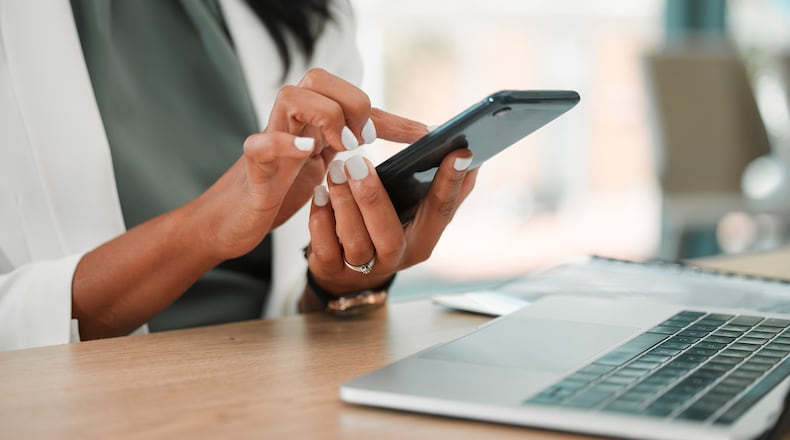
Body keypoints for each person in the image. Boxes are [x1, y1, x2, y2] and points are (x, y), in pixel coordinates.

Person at [0, 0, 477, 350]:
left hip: (260, 386)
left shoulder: (312, 12)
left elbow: (297, 311)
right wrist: (208, 228)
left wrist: (347, 280)